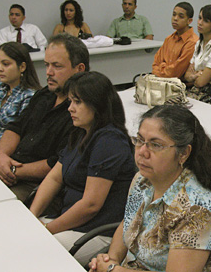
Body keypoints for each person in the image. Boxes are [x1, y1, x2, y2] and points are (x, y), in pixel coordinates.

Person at [88, 105, 211, 272]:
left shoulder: (196, 211)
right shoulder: (142, 180)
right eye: (140, 140)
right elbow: (128, 221)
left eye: (155, 145)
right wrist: (110, 259)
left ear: (183, 153)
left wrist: (112, 270)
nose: (142, 152)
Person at [30, 71, 136, 265]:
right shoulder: (81, 133)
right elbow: (54, 178)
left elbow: (90, 205)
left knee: (33, 250)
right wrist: (31, 216)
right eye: (70, 101)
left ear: (97, 105)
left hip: (96, 231)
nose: (70, 108)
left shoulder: (109, 141)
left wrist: (48, 229)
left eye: (77, 102)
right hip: (69, 222)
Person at [0, 33, 89, 204]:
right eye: (46, 65)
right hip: (9, 167)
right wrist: (0, 156)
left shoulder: (84, 110)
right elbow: (16, 127)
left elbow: (59, 163)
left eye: (57, 66)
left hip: (35, 184)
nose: (49, 72)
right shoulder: (45, 94)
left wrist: (13, 170)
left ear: (79, 69)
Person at [0, 42, 41, 151]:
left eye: (6, 64)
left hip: (7, 151)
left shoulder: (30, 96)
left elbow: (20, 135)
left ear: (22, 67)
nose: (0, 69)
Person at [152, 2, 198, 78]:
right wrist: (164, 69)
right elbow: (155, 64)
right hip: (161, 80)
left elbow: (175, 73)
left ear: (189, 21)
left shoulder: (192, 42)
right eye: (174, 14)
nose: (175, 18)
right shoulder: (169, 39)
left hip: (180, 85)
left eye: (181, 16)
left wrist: (162, 66)